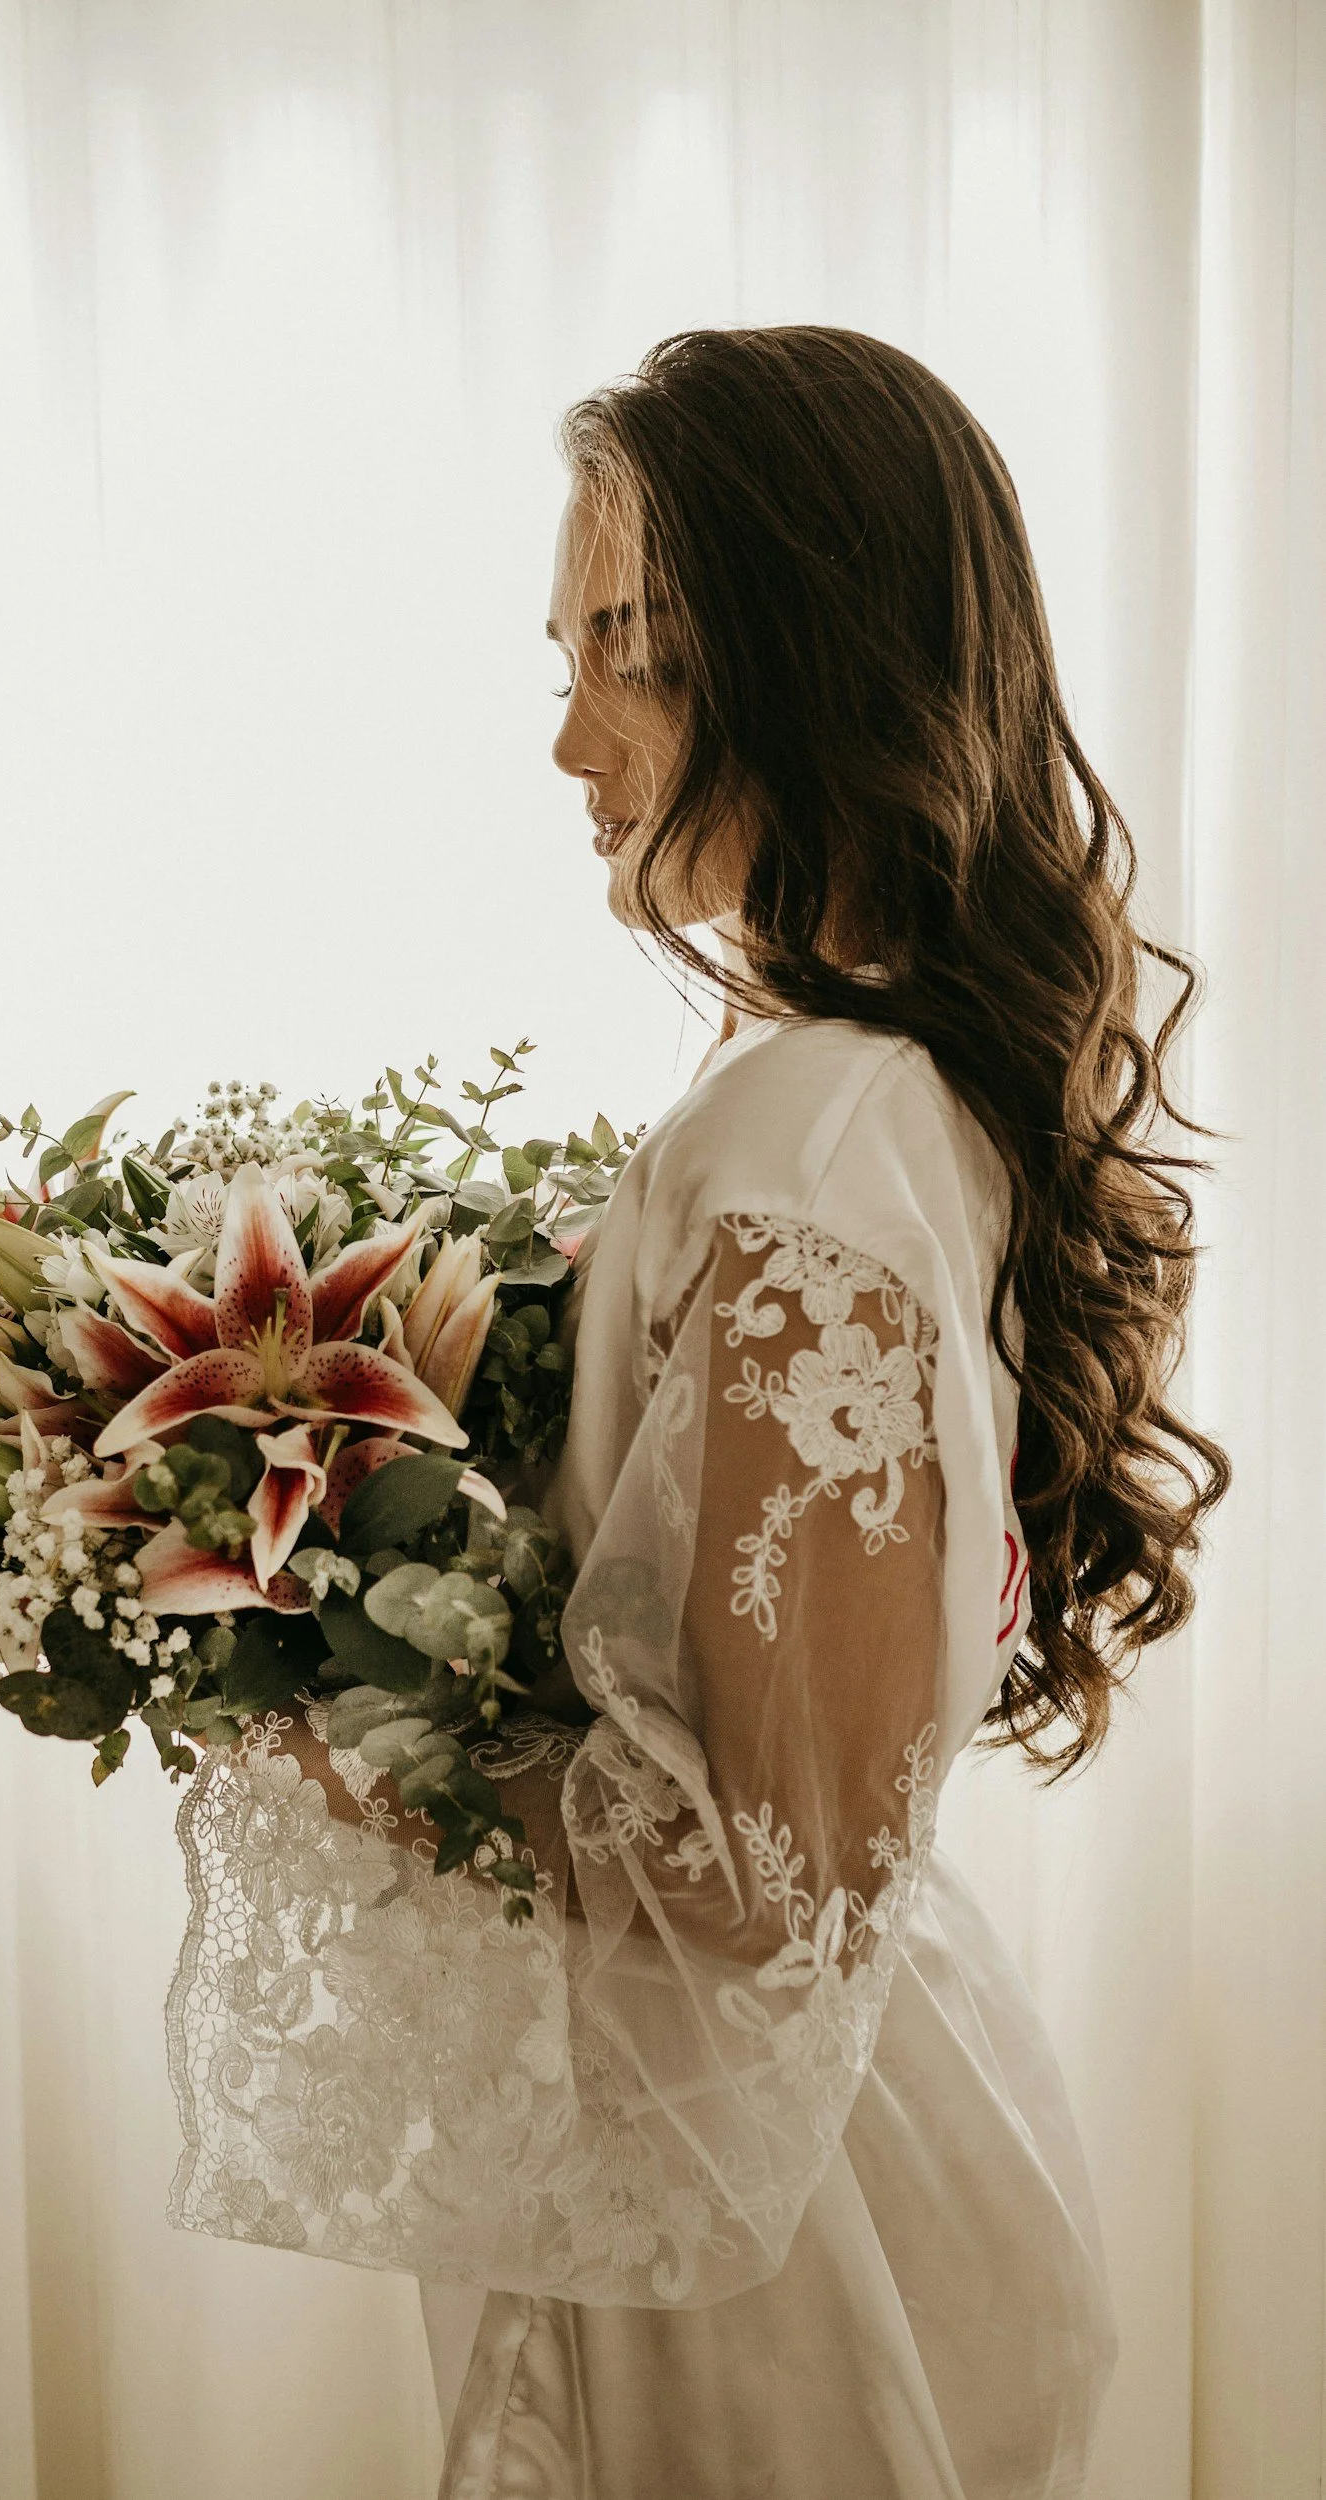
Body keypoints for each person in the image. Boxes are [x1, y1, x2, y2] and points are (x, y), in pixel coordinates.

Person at [168, 327, 1227, 2498]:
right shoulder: (863, 1091)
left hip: (777, 2225)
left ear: (811, 653)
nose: (568, 736)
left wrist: (326, 1721)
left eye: (630, 655)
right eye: (562, 655)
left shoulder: (814, 1130)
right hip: (820, 2121)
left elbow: (770, 1864)